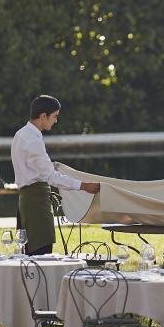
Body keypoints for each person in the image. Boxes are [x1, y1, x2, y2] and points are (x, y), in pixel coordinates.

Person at [11, 95, 100, 255]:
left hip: (26, 201)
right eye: (55, 116)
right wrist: (83, 186)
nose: (56, 121)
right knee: (40, 254)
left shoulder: (20, 134)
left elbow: (32, 167)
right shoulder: (32, 140)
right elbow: (51, 177)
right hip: (35, 203)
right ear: (43, 116)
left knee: (29, 255)